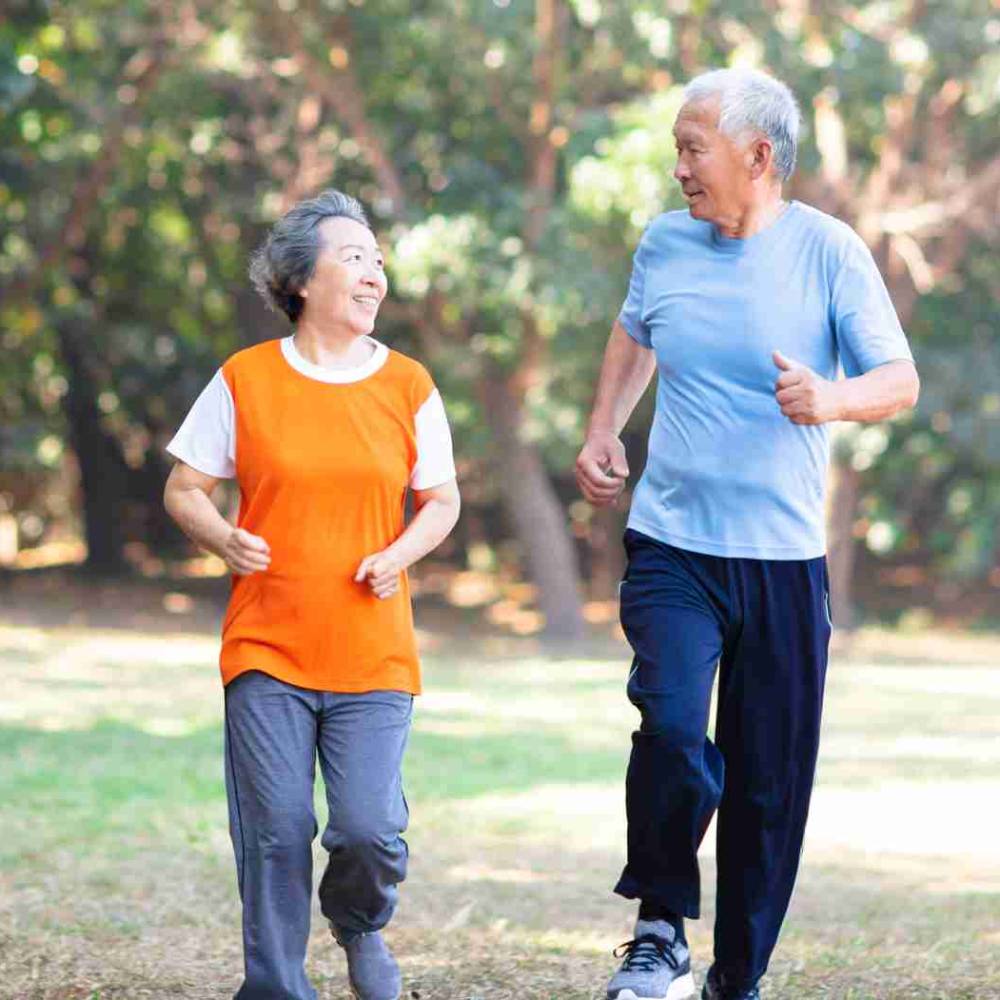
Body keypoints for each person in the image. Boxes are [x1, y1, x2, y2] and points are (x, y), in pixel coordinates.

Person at [575, 69, 919, 1000]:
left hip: (781, 560)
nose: (678, 166)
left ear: (758, 157)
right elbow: (634, 333)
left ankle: (739, 977)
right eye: (679, 147)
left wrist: (831, 397)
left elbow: (898, 380)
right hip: (674, 544)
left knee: (768, 785)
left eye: (694, 148)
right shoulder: (665, 244)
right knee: (676, 727)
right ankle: (658, 928)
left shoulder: (829, 253)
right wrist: (605, 425)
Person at [163, 189, 460, 1000]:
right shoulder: (246, 379)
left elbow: (443, 500)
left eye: (378, 261)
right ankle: (275, 987)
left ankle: (359, 924)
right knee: (276, 831)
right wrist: (223, 537)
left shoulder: (407, 385)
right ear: (301, 280)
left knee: (367, 831)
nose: (375, 275)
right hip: (268, 646)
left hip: (373, 651)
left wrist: (399, 553)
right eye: (354, 258)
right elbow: (184, 488)